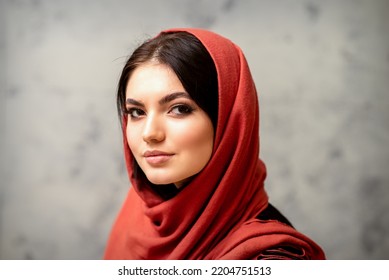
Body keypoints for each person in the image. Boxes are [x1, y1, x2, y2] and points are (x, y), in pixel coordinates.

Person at [104, 28, 326, 260]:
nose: (150, 133)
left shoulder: (270, 258)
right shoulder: (142, 210)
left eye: (179, 109)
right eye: (137, 112)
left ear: (228, 119)